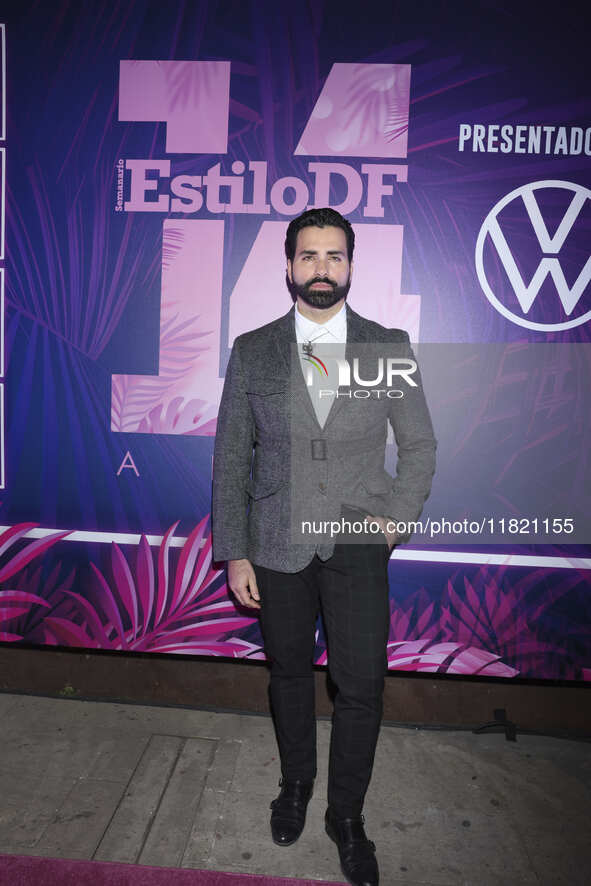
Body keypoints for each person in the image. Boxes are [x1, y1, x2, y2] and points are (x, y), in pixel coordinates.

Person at [212, 207, 436, 886]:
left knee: (361, 686)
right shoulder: (252, 350)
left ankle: (346, 816)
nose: (320, 269)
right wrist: (235, 551)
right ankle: (295, 786)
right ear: (288, 266)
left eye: (333, 257)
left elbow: (419, 446)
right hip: (275, 543)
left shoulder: (386, 344)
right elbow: (231, 459)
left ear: (349, 265)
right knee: (287, 675)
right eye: (308, 256)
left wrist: (393, 521)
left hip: (357, 542)